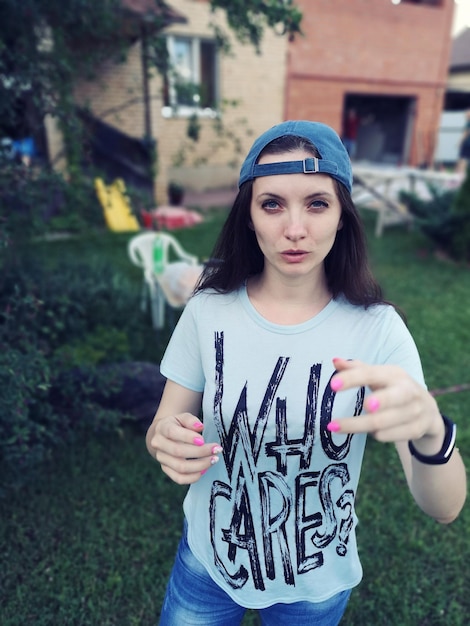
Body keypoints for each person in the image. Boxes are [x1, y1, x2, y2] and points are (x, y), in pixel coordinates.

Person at [146, 120, 466, 625]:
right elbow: (163, 426)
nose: (295, 228)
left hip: (315, 584)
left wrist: (430, 429)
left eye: (317, 203)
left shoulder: (378, 331)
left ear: (342, 216)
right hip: (206, 564)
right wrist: (165, 439)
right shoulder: (208, 310)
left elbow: (445, 507)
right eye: (272, 204)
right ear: (248, 216)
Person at [457, 109, 470, 174]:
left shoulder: (468, 123)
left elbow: (466, 134)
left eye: (467, 114)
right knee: (465, 158)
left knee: (462, 158)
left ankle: (460, 174)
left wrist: (460, 142)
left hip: (467, 143)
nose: (465, 115)